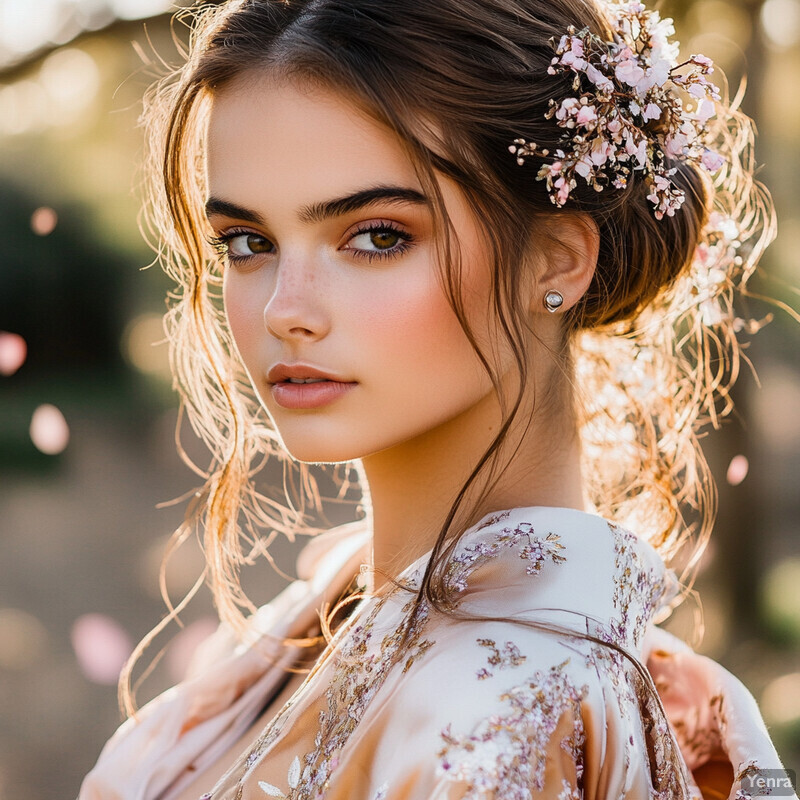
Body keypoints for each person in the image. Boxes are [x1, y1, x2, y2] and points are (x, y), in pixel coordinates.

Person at [79, 0, 796, 798]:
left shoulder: (499, 716)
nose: (285, 307)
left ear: (555, 261)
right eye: (249, 244)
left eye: (377, 235)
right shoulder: (327, 622)